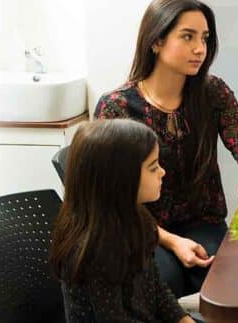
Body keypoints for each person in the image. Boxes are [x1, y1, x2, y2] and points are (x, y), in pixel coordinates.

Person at [94, 0, 238, 298]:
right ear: (156, 41)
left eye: (204, 38)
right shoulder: (117, 108)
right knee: (162, 283)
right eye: (187, 37)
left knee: (234, 284)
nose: (199, 49)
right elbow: (111, 200)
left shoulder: (211, 92)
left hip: (204, 223)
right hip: (142, 228)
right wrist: (170, 241)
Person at [50, 119, 194, 323]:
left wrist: (184, 320)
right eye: (153, 168)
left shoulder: (138, 218)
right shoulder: (92, 251)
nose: (162, 172)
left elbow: (156, 290)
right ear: (120, 179)